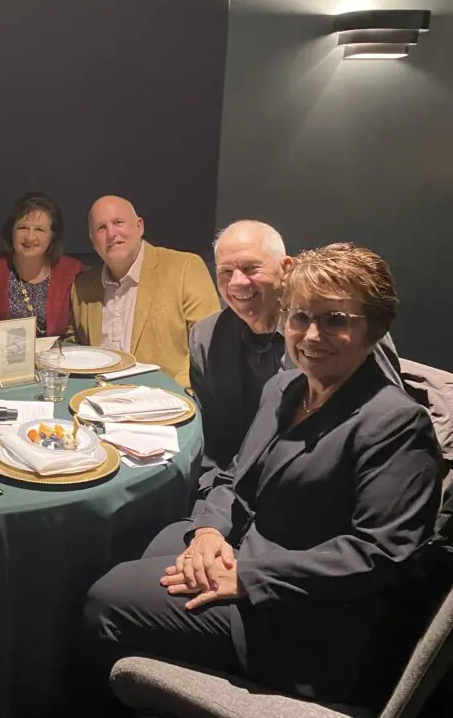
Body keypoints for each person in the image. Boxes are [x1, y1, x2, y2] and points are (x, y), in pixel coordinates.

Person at [84, 243, 441, 708]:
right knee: (159, 540)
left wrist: (246, 578)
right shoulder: (285, 388)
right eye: (299, 317)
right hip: (250, 548)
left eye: (335, 320)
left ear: (374, 328)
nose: (311, 335)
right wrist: (209, 532)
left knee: (106, 599)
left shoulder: (395, 423)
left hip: (305, 614)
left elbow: (380, 556)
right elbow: (236, 476)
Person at [186, 220, 402, 511]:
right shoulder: (205, 338)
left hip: (317, 505)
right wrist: (212, 515)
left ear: (286, 268)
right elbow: (215, 448)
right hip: (231, 497)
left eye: (251, 268)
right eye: (225, 272)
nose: (236, 283)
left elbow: (385, 424)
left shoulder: (342, 336)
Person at [69, 196, 219, 387]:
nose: (111, 233)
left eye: (118, 222)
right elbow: (75, 351)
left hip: (167, 403)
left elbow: (210, 348)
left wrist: (179, 394)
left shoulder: (184, 268)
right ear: (93, 241)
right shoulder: (82, 288)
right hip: (98, 402)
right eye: (101, 228)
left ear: (139, 227)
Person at [0, 192, 85, 336]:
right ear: (11, 232)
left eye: (39, 229)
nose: (29, 237)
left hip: (53, 357)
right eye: (23, 228)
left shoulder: (71, 271)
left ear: (52, 236)